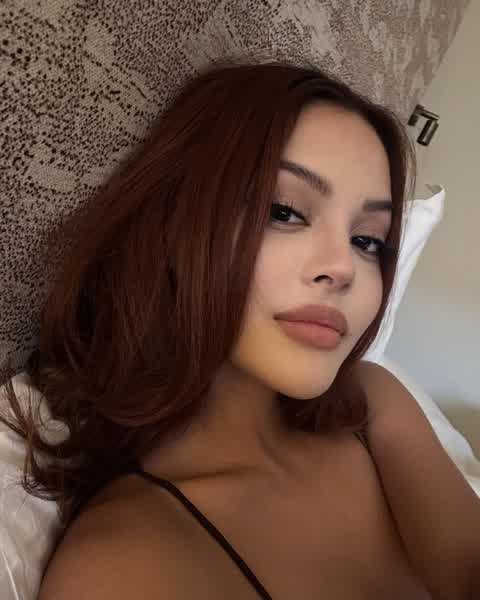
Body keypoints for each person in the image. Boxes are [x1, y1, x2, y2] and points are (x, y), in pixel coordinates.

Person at [2, 59, 478, 600]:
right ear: (176, 223)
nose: (344, 267)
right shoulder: (125, 567)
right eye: (285, 212)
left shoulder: (370, 402)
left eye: (368, 241)